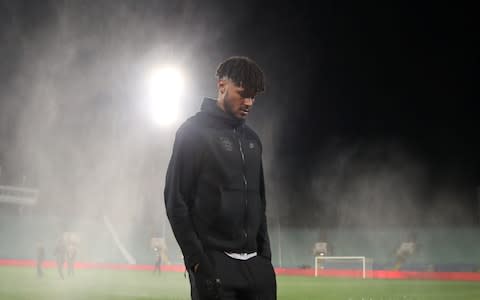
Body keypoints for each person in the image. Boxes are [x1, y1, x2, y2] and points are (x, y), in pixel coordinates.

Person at [165, 56, 276, 300]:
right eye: (243, 93)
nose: (249, 102)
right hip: (213, 264)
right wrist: (196, 261)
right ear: (222, 85)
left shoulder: (252, 140)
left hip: (256, 269)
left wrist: (264, 258)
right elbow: (176, 200)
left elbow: (260, 202)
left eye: (254, 96)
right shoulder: (193, 132)